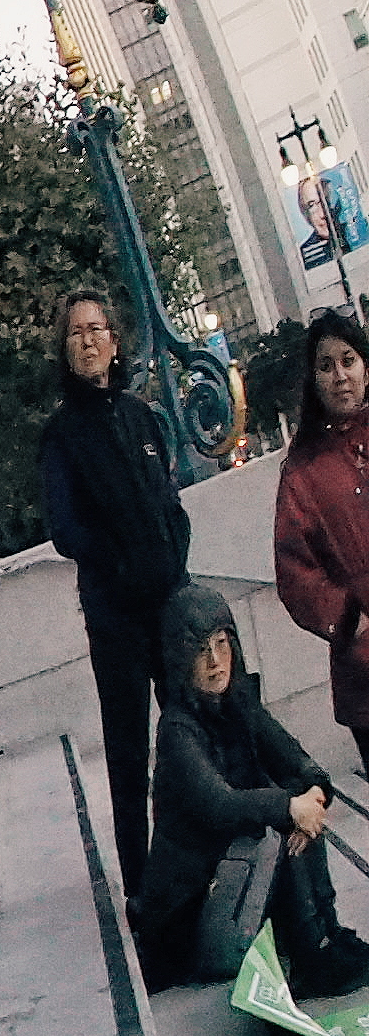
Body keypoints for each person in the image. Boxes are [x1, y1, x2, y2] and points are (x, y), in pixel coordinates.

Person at [36, 286, 196, 905]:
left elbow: (170, 501)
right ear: (64, 347)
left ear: (115, 340)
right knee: (130, 754)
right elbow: (66, 530)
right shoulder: (60, 435)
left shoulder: (141, 415)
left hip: (170, 608)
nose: (88, 340)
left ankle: (200, 862)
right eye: (75, 332)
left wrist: (171, 556)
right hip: (116, 618)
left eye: (97, 329)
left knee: (192, 735)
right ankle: (142, 890)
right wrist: (124, 564)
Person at [133, 586, 369, 991]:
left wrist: (309, 798)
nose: (214, 661)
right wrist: (290, 809)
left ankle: (324, 935)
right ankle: (312, 954)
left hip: (236, 883)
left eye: (221, 644)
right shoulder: (176, 731)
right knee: (278, 822)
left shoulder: (241, 704)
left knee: (296, 813)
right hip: (189, 913)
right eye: (200, 650)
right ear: (179, 659)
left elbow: (302, 764)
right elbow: (219, 805)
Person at [268, 308, 369, 763]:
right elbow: (295, 573)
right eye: (326, 366)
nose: (340, 376)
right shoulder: (303, 471)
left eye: (348, 360)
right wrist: (350, 620)